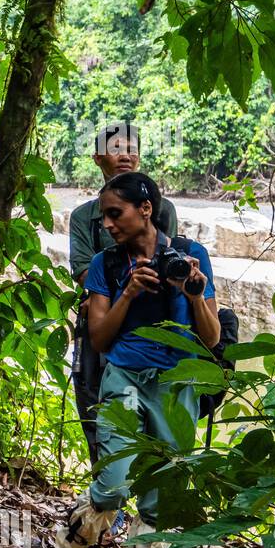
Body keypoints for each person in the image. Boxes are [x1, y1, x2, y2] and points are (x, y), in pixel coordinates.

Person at [32, 172, 218, 548]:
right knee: (112, 483)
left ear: (146, 209)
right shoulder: (106, 264)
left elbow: (211, 338)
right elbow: (98, 337)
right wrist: (130, 291)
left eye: (116, 214)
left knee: (158, 496)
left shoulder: (191, 257)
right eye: (105, 216)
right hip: (123, 379)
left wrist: (194, 295)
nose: (109, 223)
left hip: (176, 385)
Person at [70, 123, 178, 466]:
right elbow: (86, 271)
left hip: (152, 323)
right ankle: (107, 494)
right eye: (117, 148)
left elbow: (162, 257)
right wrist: (120, 290)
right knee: (93, 401)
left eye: (132, 148)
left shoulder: (161, 210)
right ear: (98, 157)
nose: (126, 155)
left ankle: (153, 502)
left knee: (158, 410)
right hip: (101, 322)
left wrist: (109, 288)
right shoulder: (83, 217)